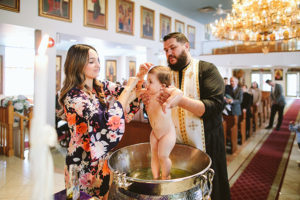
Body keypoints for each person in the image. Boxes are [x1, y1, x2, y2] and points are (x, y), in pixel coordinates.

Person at [142, 32, 230, 200]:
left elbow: (216, 106)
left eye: (173, 48)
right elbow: (156, 111)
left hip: (207, 142)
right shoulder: (165, 74)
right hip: (175, 145)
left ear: (186, 46)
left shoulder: (207, 69)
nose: (169, 53)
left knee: (211, 190)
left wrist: (180, 100)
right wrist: (148, 104)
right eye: (166, 50)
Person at [58, 44, 149, 199]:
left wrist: (140, 78)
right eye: (92, 61)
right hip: (80, 162)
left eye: (98, 60)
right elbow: (103, 123)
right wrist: (128, 89)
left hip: (101, 161)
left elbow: (129, 95)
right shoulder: (73, 96)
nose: (98, 65)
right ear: (77, 63)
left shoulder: (100, 86)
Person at [145, 66, 176, 180]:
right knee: (154, 156)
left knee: (162, 155)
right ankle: (155, 177)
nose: (146, 84)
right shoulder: (148, 94)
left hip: (167, 134)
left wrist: (168, 102)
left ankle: (166, 176)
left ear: (162, 86)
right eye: (146, 81)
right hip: (155, 133)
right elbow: (135, 91)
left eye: (150, 82)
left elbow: (179, 92)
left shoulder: (165, 93)